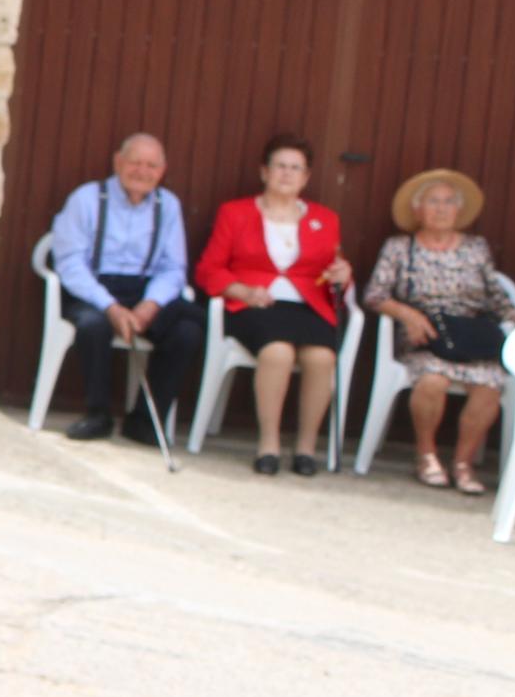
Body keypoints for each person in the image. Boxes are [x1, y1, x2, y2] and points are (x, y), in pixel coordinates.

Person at [363, 167, 515, 495]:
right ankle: (426, 455)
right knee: (432, 381)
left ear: (459, 210)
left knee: (489, 385)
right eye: (433, 201)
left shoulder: (476, 247)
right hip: (424, 338)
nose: (441, 209)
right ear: (417, 209)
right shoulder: (399, 247)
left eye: (449, 202)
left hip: (469, 339)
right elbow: (374, 295)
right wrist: (406, 313)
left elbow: (495, 296)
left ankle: (463, 463)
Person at [196, 132, 349, 477]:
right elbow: (209, 269)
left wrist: (344, 273)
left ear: (306, 177)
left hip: (307, 307)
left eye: (296, 168)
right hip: (254, 306)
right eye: (280, 166)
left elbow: (335, 273)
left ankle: (306, 448)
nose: (286, 173)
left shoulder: (325, 219)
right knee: (277, 352)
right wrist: (241, 291)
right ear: (264, 172)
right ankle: (269, 444)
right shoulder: (234, 213)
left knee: (322, 357)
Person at [45, 133, 202, 443]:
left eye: (152, 165)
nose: (143, 172)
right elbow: (70, 263)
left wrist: (151, 304)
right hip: (94, 287)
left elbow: (173, 268)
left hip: (144, 290)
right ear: (118, 162)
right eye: (135, 162)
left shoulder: (168, 206)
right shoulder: (86, 198)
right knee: (93, 325)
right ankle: (97, 414)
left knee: (188, 329)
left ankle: (145, 419)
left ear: (162, 170)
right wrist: (111, 307)